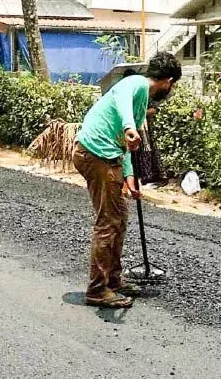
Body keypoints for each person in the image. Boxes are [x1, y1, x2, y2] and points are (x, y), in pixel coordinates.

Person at [72, 52, 181, 309]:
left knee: (119, 218)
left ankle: (113, 280)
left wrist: (130, 177)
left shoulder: (140, 99)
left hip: (107, 156)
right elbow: (122, 102)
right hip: (96, 154)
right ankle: (97, 290)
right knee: (108, 222)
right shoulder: (137, 84)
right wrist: (129, 127)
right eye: (172, 85)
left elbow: (128, 147)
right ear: (168, 81)